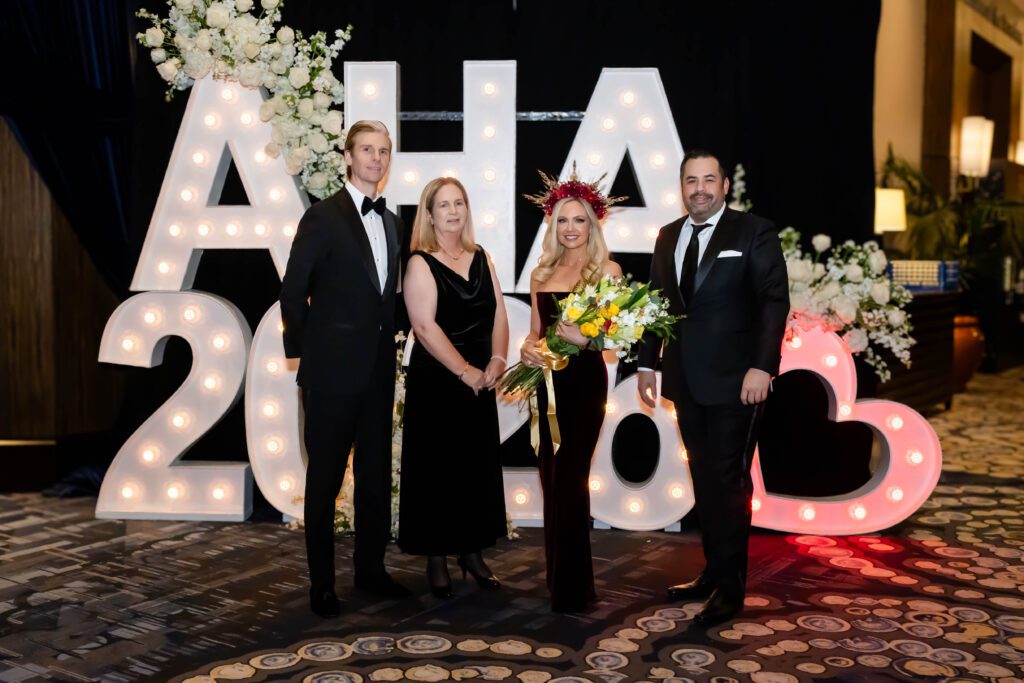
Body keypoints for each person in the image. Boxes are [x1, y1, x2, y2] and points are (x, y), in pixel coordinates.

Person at [637, 150, 789, 626]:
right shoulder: (666, 236)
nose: (699, 188)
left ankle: (730, 590)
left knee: (728, 484)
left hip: (737, 383)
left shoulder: (753, 231)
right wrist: (646, 363)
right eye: (690, 180)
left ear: (725, 185)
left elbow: (772, 302)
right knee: (704, 481)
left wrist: (762, 368)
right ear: (681, 187)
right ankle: (712, 572)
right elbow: (656, 303)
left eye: (708, 179)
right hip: (686, 380)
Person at [279, 120, 411, 618]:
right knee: (326, 480)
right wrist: (306, 353)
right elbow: (293, 291)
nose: (376, 158)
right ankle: (321, 585)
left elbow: (387, 301)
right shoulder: (322, 217)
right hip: (331, 377)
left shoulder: (394, 223)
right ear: (348, 157)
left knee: (375, 477)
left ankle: (371, 572)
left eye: (383, 151)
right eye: (367, 150)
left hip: (378, 374)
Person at [399, 177, 510, 599]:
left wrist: (497, 360)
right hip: (438, 381)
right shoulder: (420, 262)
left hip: (480, 379)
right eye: (443, 205)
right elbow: (424, 327)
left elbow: (498, 313)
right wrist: (464, 370)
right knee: (436, 471)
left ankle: (472, 552)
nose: (453, 211)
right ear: (429, 214)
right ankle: (436, 558)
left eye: (458, 203)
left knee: (473, 469)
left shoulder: (481, 256)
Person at [521, 170, 623, 612]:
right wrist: (527, 350)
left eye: (579, 220)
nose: (570, 228)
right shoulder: (541, 273)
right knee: (550, 477)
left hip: (583, 386)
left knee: (572, 478)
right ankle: (558, 576)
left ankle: (575, 585)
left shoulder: (607, 272)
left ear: (592, 225)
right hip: (545, 386)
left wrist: (586, 340)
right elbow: (535, 334)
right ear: (553, 225)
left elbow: (617, 336)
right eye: (563, 220)